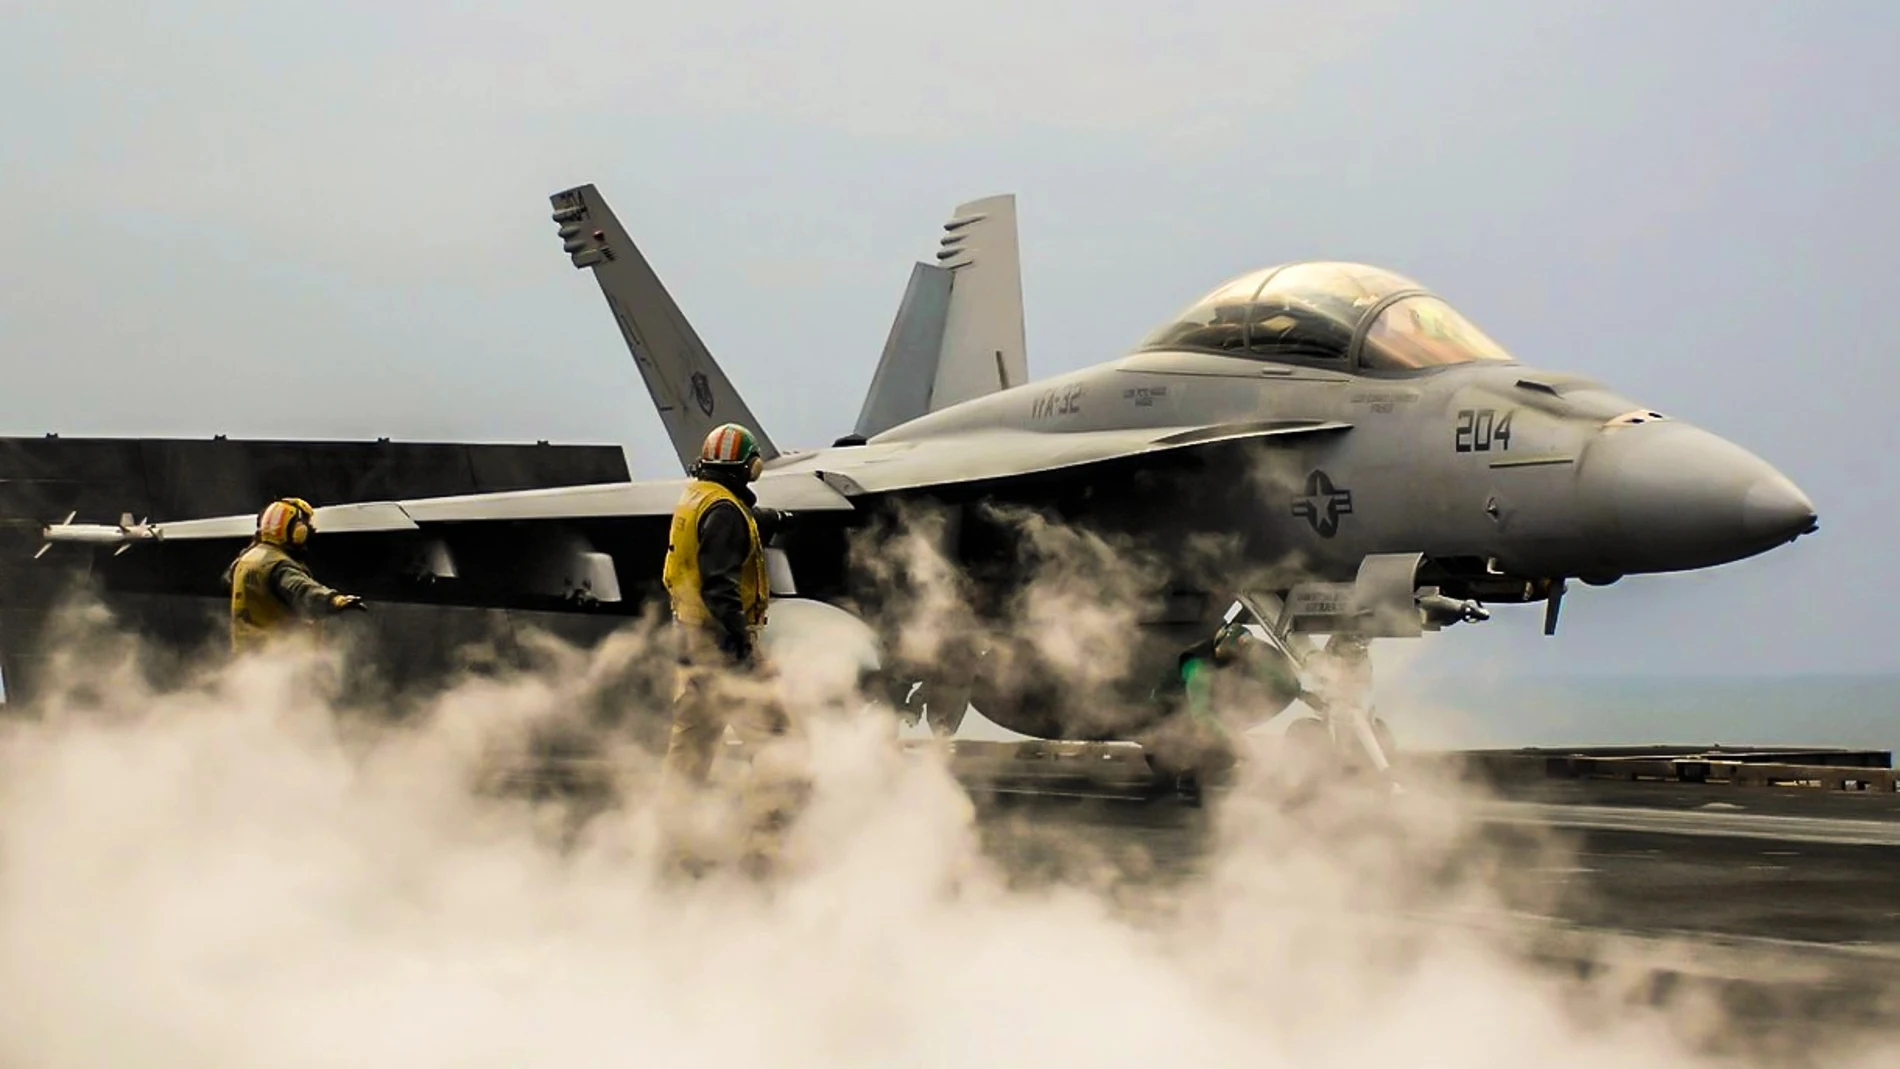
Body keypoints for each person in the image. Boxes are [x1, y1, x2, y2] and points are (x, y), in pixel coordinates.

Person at [659, 423, 798, 871]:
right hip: (722, 645)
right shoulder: (726, 513)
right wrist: (742, 648)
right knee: (776, 740)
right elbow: (720, 586)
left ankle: (673, 847)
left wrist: (764, 520)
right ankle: (771, 840)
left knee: (691, 751)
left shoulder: (700, 498)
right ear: (750, 466)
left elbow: (719, 532)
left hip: (692, 641)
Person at [1143, 620, 1302, 804]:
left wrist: (1302, 693)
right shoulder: (1198, 667)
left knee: (1223, 748)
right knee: (1217, 745)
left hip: (1194, 710)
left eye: (1236, 658)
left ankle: (1189, 776)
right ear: (1219, 645)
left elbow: (1280, 682)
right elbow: (1201, 715)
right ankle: (1185, 778)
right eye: (1228, 656)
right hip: (1169, 717)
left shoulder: (1237, 657)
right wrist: (1238, 743)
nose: (1231, 662)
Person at [225, 497, 366, 654]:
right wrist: (334, 600)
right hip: (277, 657)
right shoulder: (278, 565)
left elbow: (229, 581)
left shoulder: (245, 560)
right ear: (297, 530)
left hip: (247, 656)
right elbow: (302, 589)